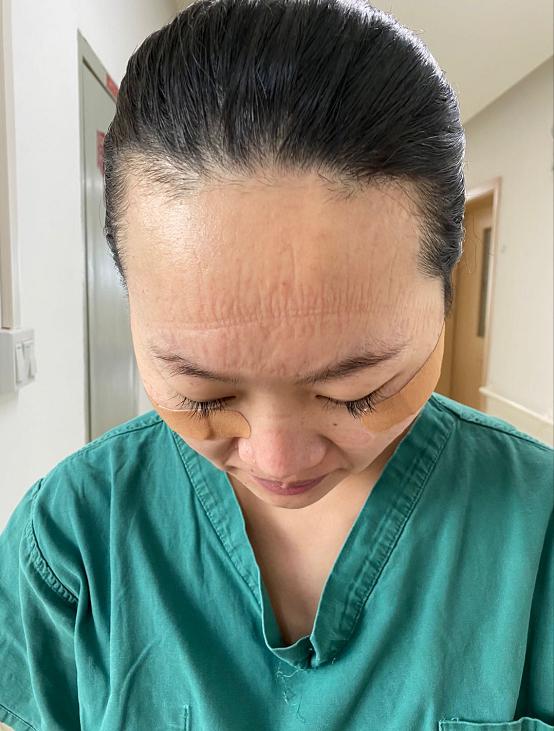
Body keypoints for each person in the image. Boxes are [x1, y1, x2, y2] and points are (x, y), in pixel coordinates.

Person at [1, 0, 553, 729]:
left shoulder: (538, 532)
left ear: (447, 293)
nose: (277, 461)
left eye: (357, 391)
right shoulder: (68, 541)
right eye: (202, 393)